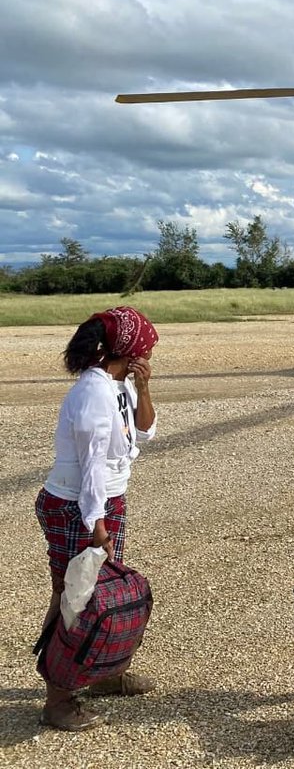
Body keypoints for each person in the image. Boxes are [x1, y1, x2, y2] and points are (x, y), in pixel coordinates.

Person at [34, 306, 159, 731]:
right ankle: (59, 699)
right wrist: (98, 527)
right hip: (77, 507)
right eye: (146, 348)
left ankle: (104, 672)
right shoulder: (93, 393)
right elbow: (90, 468)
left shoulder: (117, 385)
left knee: (99, 593)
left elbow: (144, 433)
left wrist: (144, 387)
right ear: (130, 349)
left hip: (103, 504)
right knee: (75, 598)